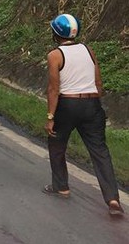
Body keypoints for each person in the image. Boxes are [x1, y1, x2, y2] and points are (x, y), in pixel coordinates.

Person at [44, 13, 123, 218]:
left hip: (68, 104)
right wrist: (95, 105)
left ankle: (61, 187)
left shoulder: (55, 55)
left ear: (56, 33)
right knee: (99, 151)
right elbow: (98, 83)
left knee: (57, 143)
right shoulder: (88, 49)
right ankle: (113, 199)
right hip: (92, 104)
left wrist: (51, 116)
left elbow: (54, 88)